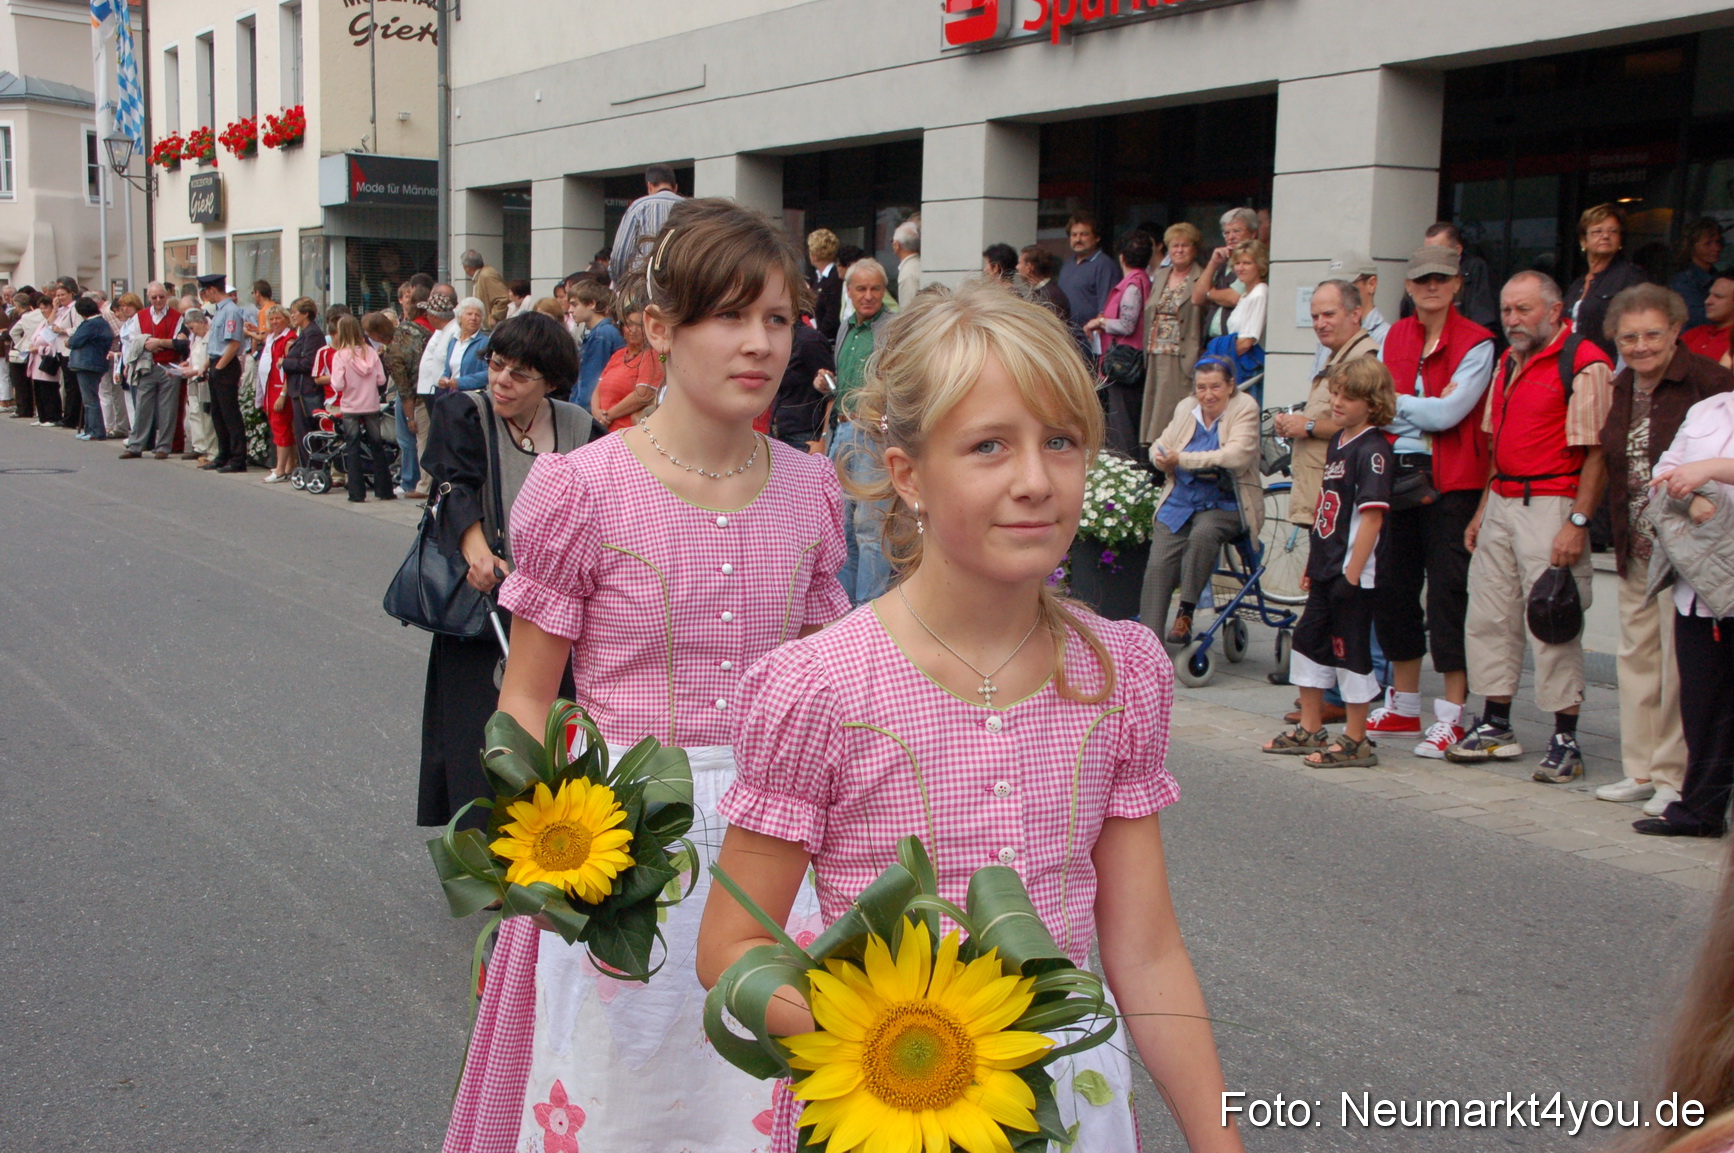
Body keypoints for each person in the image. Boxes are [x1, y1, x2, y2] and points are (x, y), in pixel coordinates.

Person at [698, 280, 1243, 1153]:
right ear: (907, 472)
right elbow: (729, 950)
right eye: (989, 445)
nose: (1035, 480)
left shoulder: (1120, 672)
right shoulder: (821, 687)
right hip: (889, 1109)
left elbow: (1144, 952)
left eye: (1061, 441)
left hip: (1072, 1094)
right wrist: (875, 1047)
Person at [443, 199, 849, 1153]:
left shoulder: (810, 488)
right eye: (728, 316)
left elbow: (832, 697)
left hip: (776, 845)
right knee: (619, 1095)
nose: (759, 344)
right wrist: (550, 857)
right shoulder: (581, 488)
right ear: (659, 329)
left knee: (762, 1097)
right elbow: (527, 699)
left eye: (779, 319)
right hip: (624, 841)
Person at [417, 312, 589, 833]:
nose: (500, 381)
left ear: (552, 381)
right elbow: (453, 486)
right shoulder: (463, 412)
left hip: (559, 607)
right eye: (496, 366)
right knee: (481, 729)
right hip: (485, 599)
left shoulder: (579, 425)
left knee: (556, 730)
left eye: (519, 374)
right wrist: (476, 550)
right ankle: (488, 859)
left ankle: (556, 845)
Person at [1448, 271, 1615, 779]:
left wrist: (1578, 523)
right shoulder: (1507, 361)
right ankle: (1497, 725)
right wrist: (1482, 510)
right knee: (1490, 617)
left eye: (1524, 310)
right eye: (1506, 311)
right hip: (1503, 499)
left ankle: (1565, 739)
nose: (1513, 320)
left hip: (1553, 502)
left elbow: (1598, 455)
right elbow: (1497, 447)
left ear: (1555, 309)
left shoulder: (1585, 363)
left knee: (1552, 621)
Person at [1592, 285, 1734, 816]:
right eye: (1628, 337)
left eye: (1653, 334)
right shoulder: (1623, 381)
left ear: (1676, 331)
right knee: (1637, 657)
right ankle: (1641, 770)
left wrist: (1697, 493)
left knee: (1682, 670)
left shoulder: (1712, 384)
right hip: (1636, 540)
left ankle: (1677, 777)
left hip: (1690, 553)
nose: (1640, 345)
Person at [1364, 245, 1497, 756]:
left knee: (1447, 596)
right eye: (1422, 280)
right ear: (1409, 287)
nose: (1432, 286)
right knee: (1394, 591)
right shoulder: (1395, 335)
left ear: (1458, 283)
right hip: (1397, 478)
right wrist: (1420, 409)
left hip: (1451, 484)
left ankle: (1453, 714)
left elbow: (1450, 415)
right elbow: (1381, 407)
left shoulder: (1478, 341)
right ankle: (1404, 704)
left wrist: (1402, 408)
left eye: (1442, 278)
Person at [1263, 356, 1397, 768]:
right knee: (1308, 641)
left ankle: (1357, 739)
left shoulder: (1374, 449)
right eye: (1335, 394)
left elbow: (1371, 517)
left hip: (1351, 572)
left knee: (1350, 650)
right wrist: (1315, 563)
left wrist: (1351, 574)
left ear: (1372, 403)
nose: (1336, 403)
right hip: (1326, 563)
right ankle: (1310, 725)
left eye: (1348, 397)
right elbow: (1328, 510)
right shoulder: (1339, 440)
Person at [1631, 392, 1734, 841]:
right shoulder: (1707, 409)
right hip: (1698, 582)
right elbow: (1663, 474)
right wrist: (1691, 498)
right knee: (1702, 703)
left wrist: (1708, 470)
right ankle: (1700, 810)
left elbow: (1692, 471)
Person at [1143, 357, 1262, 644]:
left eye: (1215, 387)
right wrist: (1161, 458)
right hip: (1182, 500)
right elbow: (1161, 444)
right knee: (1158, 567)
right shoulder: (1187, 408)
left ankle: (1186, 610)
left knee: (1204, 534)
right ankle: (1148, 643)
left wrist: (1182, 459)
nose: (1208, 394)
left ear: (1230, 386)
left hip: (1227, 502)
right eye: (1201, 387)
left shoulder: (1244, 407)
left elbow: (1235, 456)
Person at [824, 257, 897, 605]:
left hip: (872, 437)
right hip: (841, 432)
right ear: (849, 291)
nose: (869, 295)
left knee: (870, 528)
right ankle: (844, 610)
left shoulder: (895, 330)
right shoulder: (845, 328)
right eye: (861, 289)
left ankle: (871, 610)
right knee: (842, 529)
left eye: (876, 289)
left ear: (884, 291)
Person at [1084, 229, 1155, 453]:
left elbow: (1127, 324)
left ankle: (1127, 465)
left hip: (1124, 362)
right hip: (1130, 361)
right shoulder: (1144, 280)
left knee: (1123, 422)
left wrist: (1101, 322)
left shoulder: (1133, 284)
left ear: (1121, 256)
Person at [1140, 222, 1207, 445]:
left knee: (1175, 408)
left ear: (1194, 249)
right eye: (1174, 246)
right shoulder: (1161, 275)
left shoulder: (1202, 275)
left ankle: (1171, 452)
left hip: (1182, 353)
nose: (1179, 250)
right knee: (1154, 406)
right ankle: (1154, 453)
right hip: (1155, 350)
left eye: (1184, 246)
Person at [1564, 203, 1652, 362]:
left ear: (1620, 240)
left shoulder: (1631, 276)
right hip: (1573, 365)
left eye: (1612, 231)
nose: (1605, 236)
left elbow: (1641, 325)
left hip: (1610, 366)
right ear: (1584, 241)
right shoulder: (1577, 285)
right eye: (1597, 231)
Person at [326, 314, 395, 503]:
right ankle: (384, 490)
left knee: (353, 447)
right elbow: (381, 380)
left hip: (351, 405)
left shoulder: (340, 355)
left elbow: (338, 384)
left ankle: (356, 492)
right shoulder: (370, 352)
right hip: (371, 404)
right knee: (377, 445)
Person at [1397, 223, 1499, 331]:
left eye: (1438, 251)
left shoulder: (1475, 268)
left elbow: (1484, 316)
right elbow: (1407, 314)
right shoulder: (1417, 274)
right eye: (1428, 251)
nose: (1432, 286)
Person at [122, 283, 184, 460]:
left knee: (168, 408)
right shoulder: (140, 317)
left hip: (170, 367)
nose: (158, 300)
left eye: (161, 297)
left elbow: (179, 341)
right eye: (154, 297)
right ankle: (136, 445)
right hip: (147, 366)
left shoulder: (176, 316)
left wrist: (159, 343)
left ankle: (164, 446)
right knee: (142, 406)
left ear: (166, 297)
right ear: (148, 298)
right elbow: (133, 340)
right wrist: (148, 342)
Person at [196, 273, 250, 473]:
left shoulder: (231, 312)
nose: (205, 296)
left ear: (212, 290)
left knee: (230, 414)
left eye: (205, 291)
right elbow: (216, 343)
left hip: (225, 365)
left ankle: (238, 458)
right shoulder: (219, 311)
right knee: (217, 414)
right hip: (217, 362)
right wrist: (207, 364)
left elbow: (234, 343)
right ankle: (223, 454)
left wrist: (218, 368)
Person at [1203, 239, 1268, 398]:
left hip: (1247, 372)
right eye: (1237, 263)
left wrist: (1219, 360)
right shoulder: (1246, 295)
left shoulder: (1259, 293)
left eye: (1247, 263)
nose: (1240, 268)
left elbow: (1246, 342)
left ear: (1259, 266)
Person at [380, 302, 429, 497]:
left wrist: (409, 418)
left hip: (416, 397)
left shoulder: (393, 351)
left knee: (411, 439)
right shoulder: (414, 331)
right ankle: (415, 481)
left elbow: (404, 388)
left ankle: (413, 482)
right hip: (422, 393)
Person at [590, 305, 662, 432]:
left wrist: (608, 416)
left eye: (638, 325)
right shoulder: (618, 355)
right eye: (628, 324)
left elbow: (643, 395)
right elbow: (598, 389)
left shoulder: (651, 355)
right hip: (604, 430)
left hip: (627, 433)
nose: (633, 330)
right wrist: (596, 413)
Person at [609, 163, 683, 284]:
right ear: (675, 187)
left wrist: (620, 281)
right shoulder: (690, 208)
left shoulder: (639, 207)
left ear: (649, 186)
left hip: (644, 284)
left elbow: (620, 255)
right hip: (679, 283)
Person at [770, 312, 832, 451]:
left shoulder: (809, 340)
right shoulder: (781, 339)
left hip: (804, 435)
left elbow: (833, 393)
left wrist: (823, 440)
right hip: (779, 431)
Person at [1197, 206, 1260, 342]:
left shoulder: (1255, 262)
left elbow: (1233, 298)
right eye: (1226, 233)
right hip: (1211, 340)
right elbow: (1196, 298)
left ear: (1253, 234)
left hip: (1236, 342)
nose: (1230, 237)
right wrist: (1213, 263)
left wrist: (1209, 294)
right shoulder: (1222, 260)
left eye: (1236, 231)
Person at [280, 297, 327, 474]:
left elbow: (308, 363)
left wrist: (285, 363)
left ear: (306, 314)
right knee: (301, 431)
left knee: (307, 431)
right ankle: (307, 466)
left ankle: (313, 468)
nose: (292, 315)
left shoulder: (312, 333)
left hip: (306, 390)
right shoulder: (305, 333)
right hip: (299, 389)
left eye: (295, 312)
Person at [1057, 211, 1117, 338]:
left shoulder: (1104, 265)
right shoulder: (1067, 264)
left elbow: (1107, 308)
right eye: (1074, 235)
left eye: (1084, 234)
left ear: (1097, 238)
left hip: (1090, 338)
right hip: (1066, 335)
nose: (1078, 239)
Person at [253, 305, 295, 482]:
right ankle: (289, 465)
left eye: (278, 318)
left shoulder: (289, 340)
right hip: (270, 388)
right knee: (280, 427)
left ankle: (280, 470)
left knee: (281, 428)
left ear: (286, 319)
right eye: (271, 319)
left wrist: (283, 394)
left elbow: (289, 370)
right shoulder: (273, 337)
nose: (274, 322)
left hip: (279, 390)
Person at [567, 279, 621, 410]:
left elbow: (590, 382)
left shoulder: (601, 335)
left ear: (591, 304)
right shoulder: (603, 332)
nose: (570, 310)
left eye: (575, 304)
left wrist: (578, 412)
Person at [66, 296, 113, 441]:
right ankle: (89, 428)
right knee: (90, 398)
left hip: (87, 364)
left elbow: (75, 341)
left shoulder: (90, 324)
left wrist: (68, 342)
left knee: (90, 399)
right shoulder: (102, 322)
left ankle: (95, 431)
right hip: (97, 363)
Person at [175, 309, 217, 461]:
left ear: (201, 322)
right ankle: (199, 445)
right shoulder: (196, 337)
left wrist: (194, 370)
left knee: (206, 415)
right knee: (194, 412)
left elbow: (209, 360)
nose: (192, 331)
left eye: (193, 327)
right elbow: (195, 355)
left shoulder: (211, 336)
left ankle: (210, 448)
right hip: (193, 379)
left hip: (204, 379)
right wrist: (187, 363)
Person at [1672, 217, 1725, 331]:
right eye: (1708, 244)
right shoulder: (1685, 282)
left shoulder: (1717, 277)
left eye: (1718, 242)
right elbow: (1701, 319)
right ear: (1692, 246)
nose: (1716, 248)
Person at [24, 292, 64, 426]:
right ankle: (42, 416)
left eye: (45, 308)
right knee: (39, 390)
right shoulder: (43, 322)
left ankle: (53, 417)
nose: (42, 310)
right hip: (36, 361)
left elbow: (52, 345)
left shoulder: (55, 322)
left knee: (49, 390)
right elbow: (36, 338)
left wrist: (38, 349)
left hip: (47, 360)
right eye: (40, 308)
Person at [439, 299, 491, 392]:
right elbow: (448, 370)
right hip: (452, 395)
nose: (473, 318)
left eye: (477, 315)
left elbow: (488, 373)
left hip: (472, 396)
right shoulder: (453, 341)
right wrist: (443, 379)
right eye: (469, 314)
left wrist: (460, 382)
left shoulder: (485, 343)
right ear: (459, 317)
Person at [1682, 272, 1734, 365]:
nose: (1707, 301)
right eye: (1709, 295)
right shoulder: (1695, 333)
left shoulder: (1731, 339)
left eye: (1718, 297)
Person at [7, 288, 42, 421]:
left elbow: (12, 332)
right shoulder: (36, 315)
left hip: (24, 351)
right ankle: (31, 408)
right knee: (29, 381)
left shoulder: (24, 317)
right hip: (35, 348)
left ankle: (24, 408)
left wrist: (20, 345)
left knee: (20, 381)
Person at [1017, 243, 1071, 324]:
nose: (1017, 267)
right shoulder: (1042, 291)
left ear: (1029, 267)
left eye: (1020, 263)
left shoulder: (1051, 296)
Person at [807, 228, 843, 341]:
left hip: (827, 340)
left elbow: (832, 314)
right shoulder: (816, 277)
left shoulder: (835, 278)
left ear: (815, 254)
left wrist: (818, 336)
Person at [461, 250, 510, 329]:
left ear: (467, 267)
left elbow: (504, 298)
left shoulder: (487, 275)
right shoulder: (481, 275)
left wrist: (494, 316)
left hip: (491, 328)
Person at [891, 218, 921, 306]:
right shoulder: (919, 266)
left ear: (897, 245)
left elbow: (907, 310)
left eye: (892, 241)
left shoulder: (908, 273)